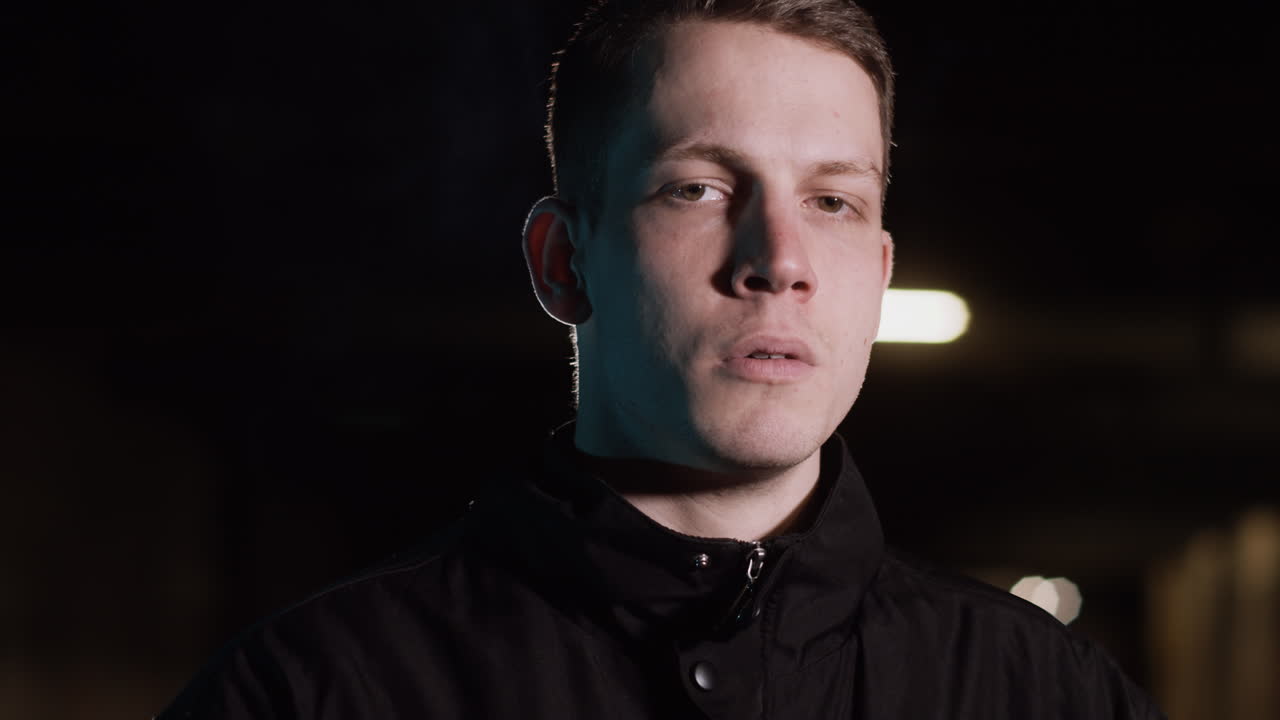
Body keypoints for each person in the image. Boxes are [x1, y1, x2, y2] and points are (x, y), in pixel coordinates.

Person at [159, 0, 1166, 717]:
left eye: (831, 202)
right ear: (563, 261)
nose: (778, 261)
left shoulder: (1043, 693)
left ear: (876, 271)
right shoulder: (318, 691)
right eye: (696, 188)